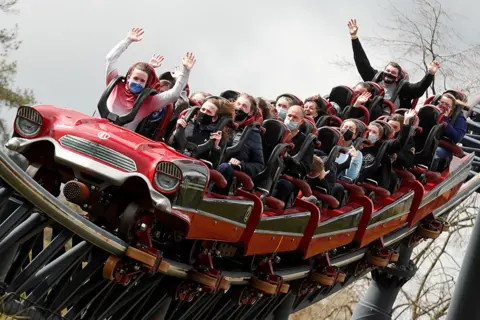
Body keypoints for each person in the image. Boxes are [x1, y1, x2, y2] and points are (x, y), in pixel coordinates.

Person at [105, 27, 196, 131]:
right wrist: (128, 40)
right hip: (97, 131)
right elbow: (110, 59)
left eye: (142, 81)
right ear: (129, 78)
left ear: (146, 83)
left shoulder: (149, 101)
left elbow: (174, 94)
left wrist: (185, 71)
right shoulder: (115, 86)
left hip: (119, 140)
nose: (138, 82)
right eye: (135, 78)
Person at [347, 19, 440, 109]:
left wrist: (430, 74)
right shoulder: (374, 78)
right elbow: (362, 63)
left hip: (387, 118)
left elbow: (418, 89)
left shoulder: (403, 87)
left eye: (393, 73)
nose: (389, 74)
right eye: (387, 71)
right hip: (365, 110)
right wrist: (354, 37)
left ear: (398, 77)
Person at [212, 93, 264, 194]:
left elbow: (259, 165)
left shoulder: (253, 133)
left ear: (250, 112)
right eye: (238, 104)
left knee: (225, 168)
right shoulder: (221, 122)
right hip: (211, 162)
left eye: (244, 106)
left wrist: (241, 165)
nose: (239, 108)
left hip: (228, 174)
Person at [360, 110, 416, 189]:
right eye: (369, 131)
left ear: (379, 136)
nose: (370, 134)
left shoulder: (384, 145)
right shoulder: (358, 141)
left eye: (395, 127)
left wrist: (406, 123)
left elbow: (399, 143)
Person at [272, 105, 314, 207]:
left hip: (288, 179)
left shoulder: (306, 142)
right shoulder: (277, 133)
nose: (290, 119)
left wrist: (287, 158)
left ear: (301, 122)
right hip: (270, 171)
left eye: (295, 117)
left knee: (284, 185)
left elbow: (305, 169)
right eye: (289, 116)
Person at [169, 97, 234, 161]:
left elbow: (214, 163)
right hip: (174, 158)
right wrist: (177, 130)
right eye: (203, 109)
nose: (204, 112)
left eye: (208, 112)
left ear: (215, 118)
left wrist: (216, 146)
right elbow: (170, 144)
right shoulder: (187, 123)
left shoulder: (218, 137)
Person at [431, 93, 467, 171]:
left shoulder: (459, 119)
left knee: (435, 154)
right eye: (442, 102)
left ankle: (428, 176)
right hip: (429, 141)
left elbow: (457, 138)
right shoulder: (433, 111)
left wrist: (446, 121)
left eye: (447, 104)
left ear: (452, 107)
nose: (443, 106)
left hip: (443, 147)